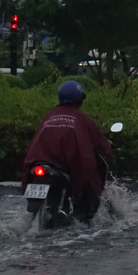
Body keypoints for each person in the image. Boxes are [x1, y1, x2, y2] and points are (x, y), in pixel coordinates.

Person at [22, 80, 114, 223]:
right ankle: (83, 215)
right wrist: (108, 147)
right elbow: (99, 142)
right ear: (79, 99)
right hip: (62, 165)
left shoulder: (50, 115)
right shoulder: (82, 118)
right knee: (88, 180)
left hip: (37, 162)